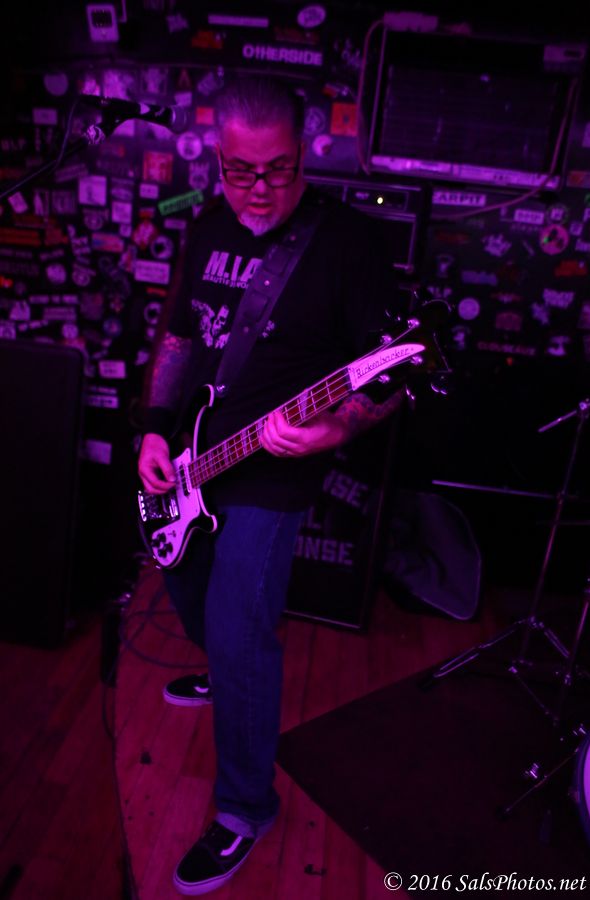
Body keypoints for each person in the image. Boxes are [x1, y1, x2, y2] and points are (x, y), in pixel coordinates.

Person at [137, 74, 404, 895]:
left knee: (242, 629)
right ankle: (221, 667)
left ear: (306, 153)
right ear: (217, 158)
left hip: (272, 473)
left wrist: (334, 430)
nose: (259, 188)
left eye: (279, 169)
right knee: (184, 584)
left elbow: (388, 375)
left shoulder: (350, 244)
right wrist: (154, 425)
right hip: (196, 457)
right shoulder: (207, 224)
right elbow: (182, 336)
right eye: (240, 170)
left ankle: (244, 809)